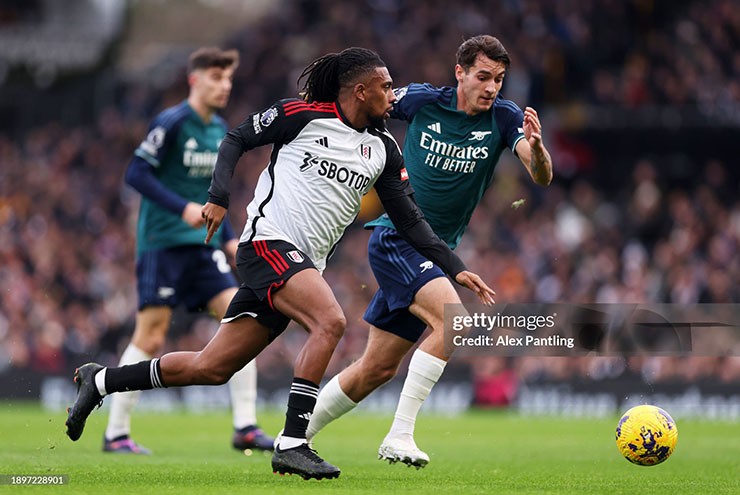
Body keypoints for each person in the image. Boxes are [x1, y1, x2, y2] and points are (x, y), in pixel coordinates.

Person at [65, 47, 496, 480]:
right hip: (267, 243)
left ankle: (100, 381)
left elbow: (411, 221)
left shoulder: (383, 148)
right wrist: (217, 196)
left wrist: (455, 267)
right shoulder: (303, 115)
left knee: (211, 367)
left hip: (301, 264)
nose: (392, 95)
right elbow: (237, 138)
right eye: (385, 87)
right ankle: (292, 442)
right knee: (330, 321)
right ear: (360, 92)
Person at [305, 35, 553, 468]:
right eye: (482, 76)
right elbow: (366, 107)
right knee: (452, 323)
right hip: (397, 238)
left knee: (374, 371)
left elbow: (539, 173)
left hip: (433, 254)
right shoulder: (421, 100)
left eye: (498, 79)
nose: (492, 87)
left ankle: (294, 436)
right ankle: (399, 436)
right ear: (460, 73)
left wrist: (539, 151)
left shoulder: (504, 118)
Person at [106, 46, 272, 454]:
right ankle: (116, 432)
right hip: (162, 244)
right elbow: (136, 173)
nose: (224, 86)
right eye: (216, 78)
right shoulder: (172, 122)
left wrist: (230, 235)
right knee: (152, 334)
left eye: (229, 79)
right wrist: (181, 208)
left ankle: (246, 426)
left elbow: (212, 194)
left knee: (243, 318)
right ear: (194, 80)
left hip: (204, 246)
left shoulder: (219, 131)